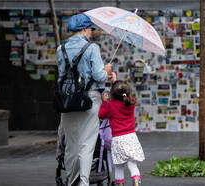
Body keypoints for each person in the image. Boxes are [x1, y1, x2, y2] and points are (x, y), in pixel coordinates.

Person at [56, 13, 112, 186]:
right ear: (85, 29)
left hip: (67, 101)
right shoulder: (92, 48)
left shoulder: (61, 49)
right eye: (90, 30)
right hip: (90, 100)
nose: (91, 33)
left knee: (71, 145)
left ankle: (71, 180)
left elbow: (62, 75)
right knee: (87, 144)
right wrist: (107, 70)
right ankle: (84, 182)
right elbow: (99, 76)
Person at [99, 74, 145, 186]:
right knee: (133, 165)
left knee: (119, 167)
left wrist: (104, 102)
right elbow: (122, 92)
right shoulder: (131, 102)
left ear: (112, 95)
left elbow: (101, 115)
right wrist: (116, 81)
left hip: (118, 140)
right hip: (131, 138)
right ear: (128, 93)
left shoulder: (111, 105)